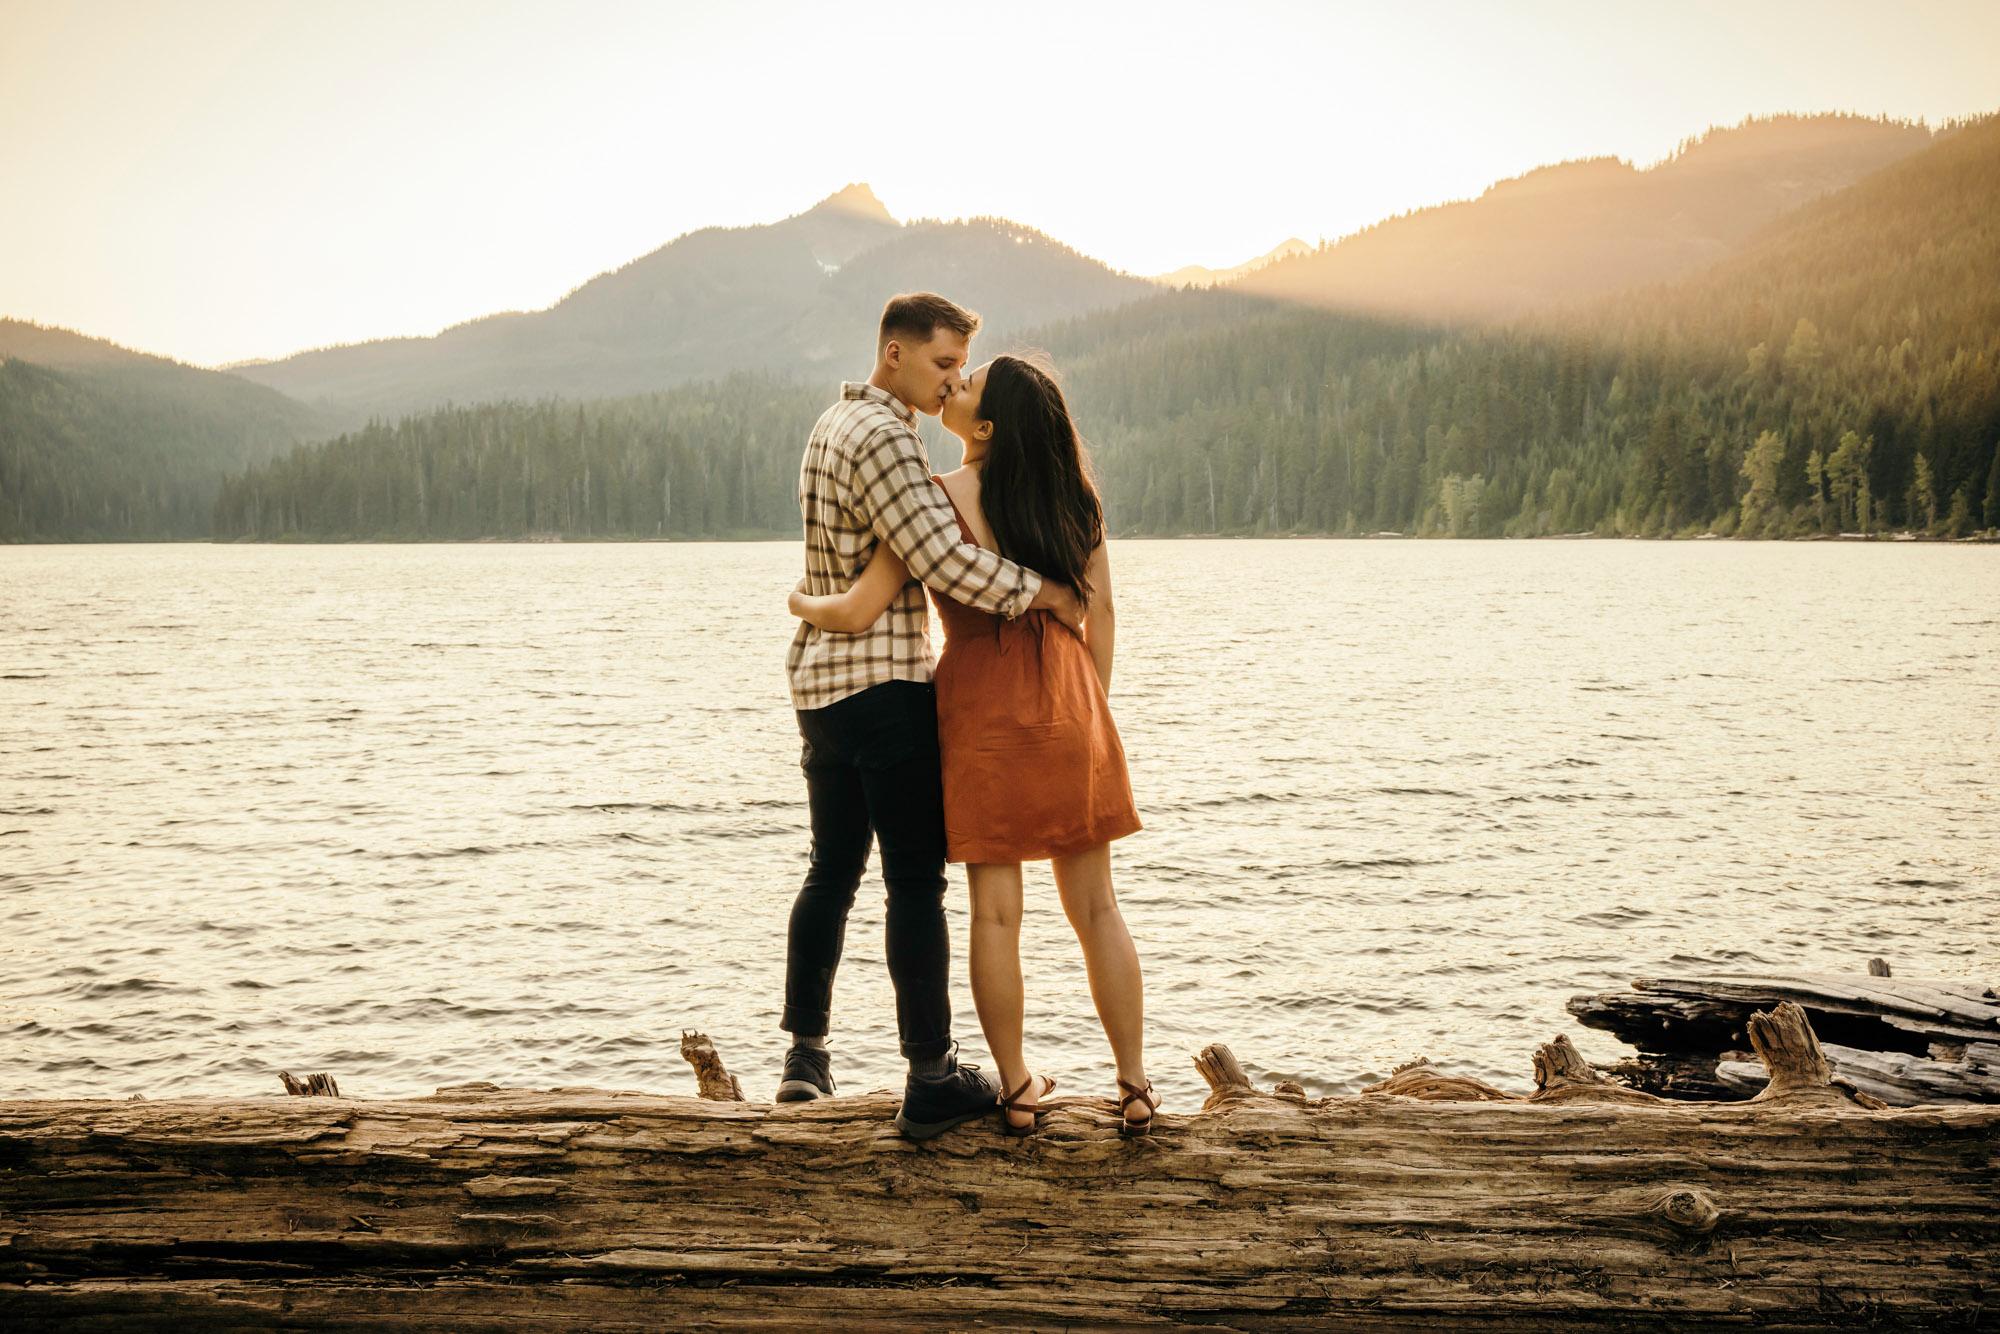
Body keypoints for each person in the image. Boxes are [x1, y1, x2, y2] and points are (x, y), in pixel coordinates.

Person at [790, 354, 1156, 1137]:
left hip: (982, 712)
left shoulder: (938, 501)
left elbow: (862, 606)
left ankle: (1018, 1091)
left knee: (995, 917)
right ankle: (1133, 1085)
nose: (951, 387)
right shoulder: (1076, 499)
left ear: (984, 429)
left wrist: (798, 599)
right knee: (1098, 908)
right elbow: (1104, 616)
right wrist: (1088, 710)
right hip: (1071, 701)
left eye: (969, 386)